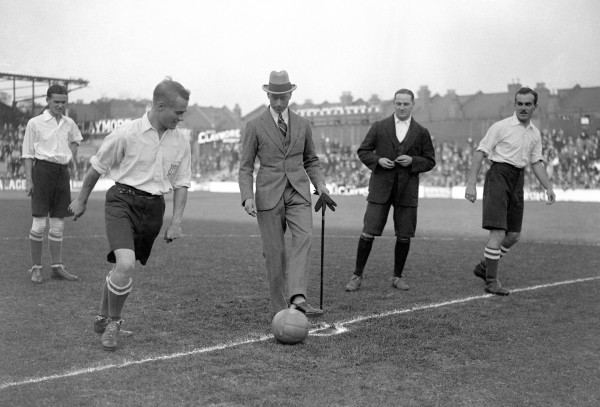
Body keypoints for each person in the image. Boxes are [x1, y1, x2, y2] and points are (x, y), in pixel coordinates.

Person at [69, 79, 192, 351]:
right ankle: (114, 323)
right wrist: (81, 199)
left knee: (120, 268)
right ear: (160, 106)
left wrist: (176, 222)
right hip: (121, 202)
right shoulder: (126, 133)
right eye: (178, 113)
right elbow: (96, 167)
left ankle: (102, 317)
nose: (181, 118)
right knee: (125, 264)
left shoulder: (181, 141)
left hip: (153, 209)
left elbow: (182, 182)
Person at [238, 70, 336, 319]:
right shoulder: (254, 126)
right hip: (268, 195)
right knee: (275, 252)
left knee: (304, 238)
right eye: (274, 97)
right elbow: (246, 167)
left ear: (291, 94)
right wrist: (247, 197)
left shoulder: (303, 124)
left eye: (283, 97)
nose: (278, 102)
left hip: (299, 192)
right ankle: (279, 309)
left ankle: (298, 298)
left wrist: (321, 185)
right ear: (268, 95)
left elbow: (311, 160)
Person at [465, 87, 555, 296]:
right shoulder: (501, 127)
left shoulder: (535, 133)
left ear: (535, 107)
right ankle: (491, 282)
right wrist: (471, 184)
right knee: (497, 232)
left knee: (513, 235)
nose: (523, 108)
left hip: (518, 178)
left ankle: (484, 267)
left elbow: (537, 162)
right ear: (515, 105)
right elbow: (480, 153)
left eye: (528, 104)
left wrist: (548, 187)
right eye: (520, 104)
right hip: (498, 176)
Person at [345, 89, 435, 292]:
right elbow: (363, 151)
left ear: (413, 105)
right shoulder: (379, 127)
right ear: (393, 104)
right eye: (398, 103)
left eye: (406, 104)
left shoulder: (421, 132)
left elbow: (430, 160)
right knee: (368, 231)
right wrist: (378, 160)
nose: (402, 107)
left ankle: (397, 276)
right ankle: (357, 275)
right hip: (380, 187)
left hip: (407, 189)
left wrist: (413, 160)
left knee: (404, 234)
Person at [22, 84, 83, 284]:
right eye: (56, 101)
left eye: (63, 102)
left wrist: (68, 155)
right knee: (39, 224)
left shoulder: (69, 123)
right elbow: (28, 154)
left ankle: (57, 268)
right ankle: (36, 268)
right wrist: (29, 180)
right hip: (42, 171)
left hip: (61, 172)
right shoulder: (35, 123)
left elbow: (76, 140)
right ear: (47, 100)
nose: (60, 105)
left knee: (58, 224)